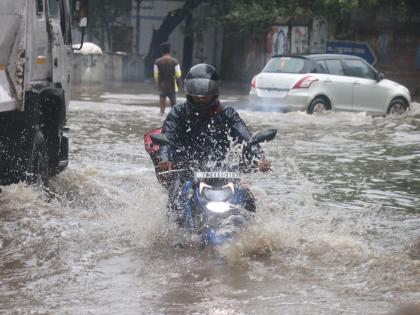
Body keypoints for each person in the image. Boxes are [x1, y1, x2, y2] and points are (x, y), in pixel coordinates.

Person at [157, 63, 271, 217]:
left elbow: (246, 137)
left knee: (247, 198)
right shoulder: (178, 112)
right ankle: (174, 235)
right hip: (187, 171)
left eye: (205, 92)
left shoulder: (227, 114)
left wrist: (260, 159)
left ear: (215, 90)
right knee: (176, 200)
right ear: (188, 90)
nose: (201, 96)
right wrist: (165, 158)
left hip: (221, 172)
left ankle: (249, 232)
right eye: (196, 91)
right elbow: (167, 137)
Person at [154, 42, 182, 116]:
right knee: (174, 109)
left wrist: (158, 85)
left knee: (161, 112)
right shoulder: (175, 61)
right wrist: (177, 85)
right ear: (170, 50)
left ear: (162, 51)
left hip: (162, 87)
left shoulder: (157, 62)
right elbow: (178, 74)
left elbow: (156, 76)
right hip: (172, 87)